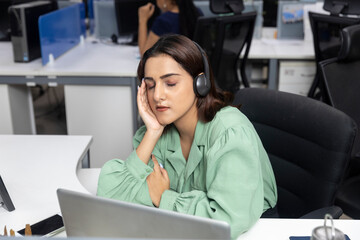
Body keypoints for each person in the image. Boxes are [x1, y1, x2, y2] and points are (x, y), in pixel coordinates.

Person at [97, 34, 277, 239]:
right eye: (150, 85)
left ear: (200, 83)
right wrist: (153, 132)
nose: (157, 96)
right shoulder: (159, 132)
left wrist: (161, 196)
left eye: (170, 83)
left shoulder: (229, 132)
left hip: (254, 232)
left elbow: (225, 221)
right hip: (185, 230)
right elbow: (111, 197)